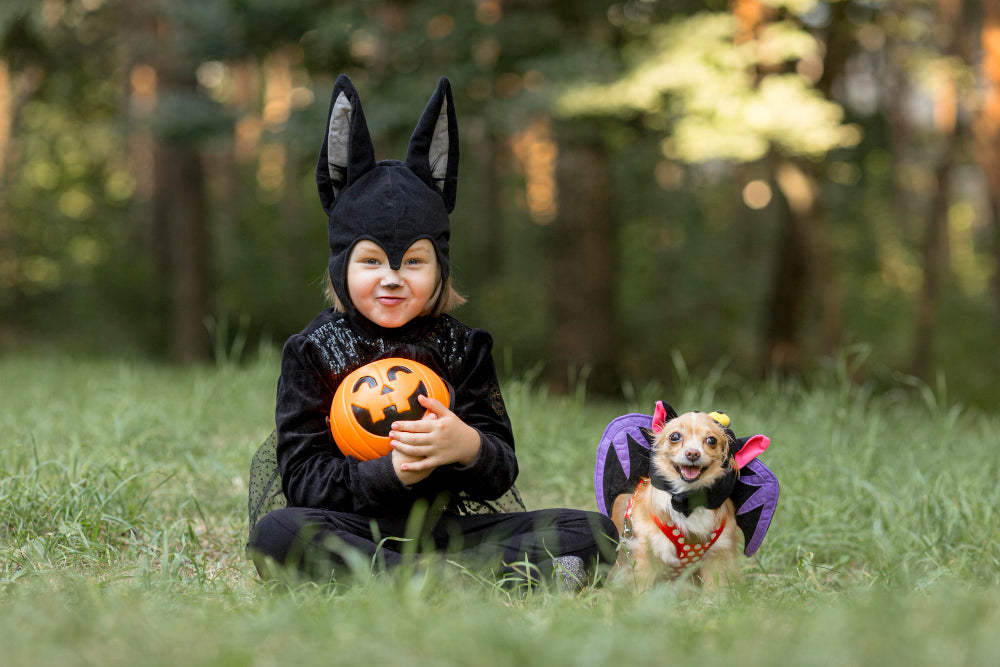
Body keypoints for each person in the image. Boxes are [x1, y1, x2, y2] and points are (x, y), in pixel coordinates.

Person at [247, 75, 618, 587]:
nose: (392, 277)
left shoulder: (460, 348)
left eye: (414, 261)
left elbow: (500, 470)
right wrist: (390, 472)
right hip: (351, 526)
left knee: (592, 530)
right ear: (341, 266)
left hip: (446, 530)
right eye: (372, 261)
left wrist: (467, 446)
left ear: (439, 267)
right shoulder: (315, 352)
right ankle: (466, 577)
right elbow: (304, 480)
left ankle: (426, 574)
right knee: (277, 533)